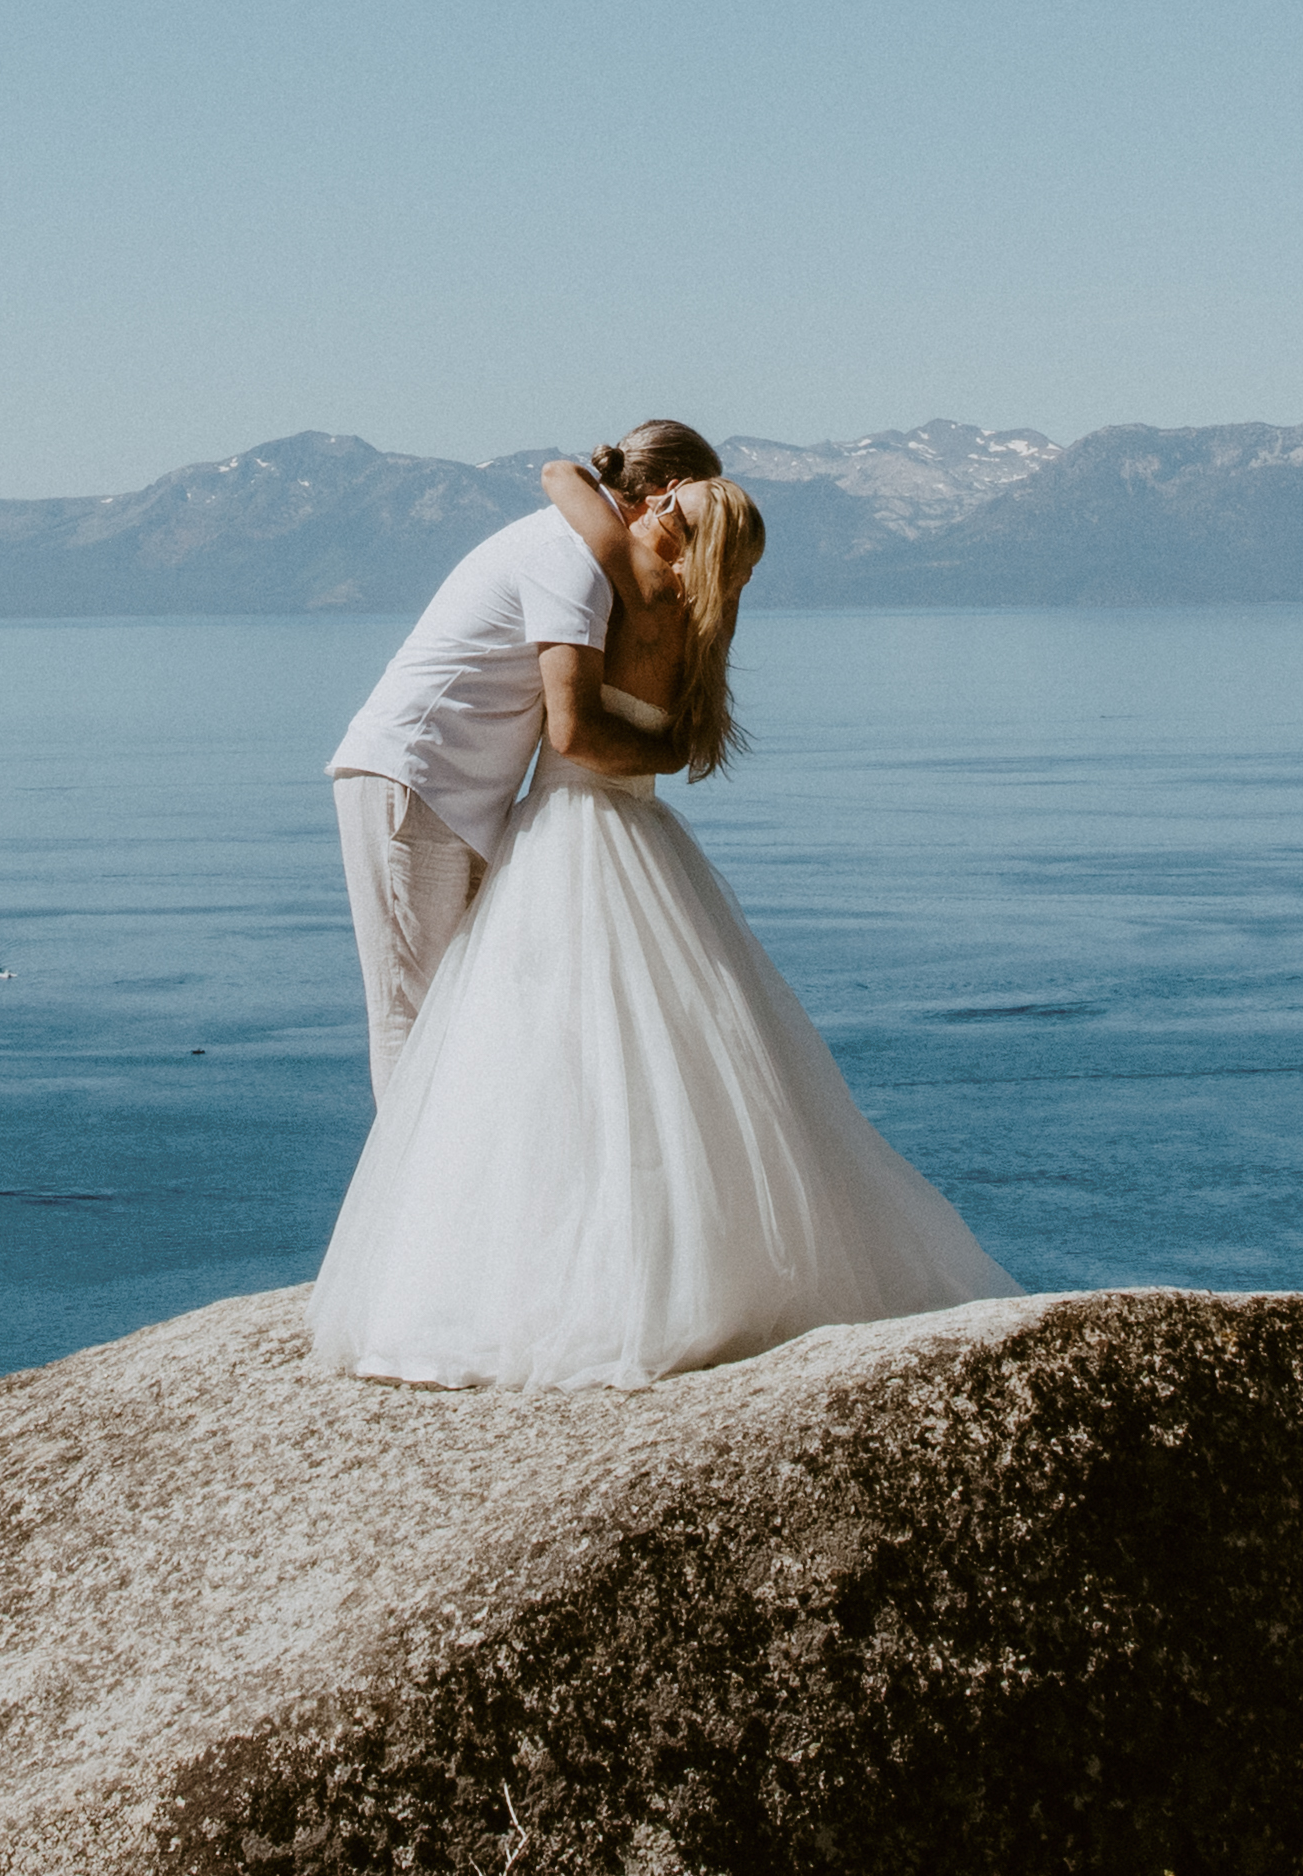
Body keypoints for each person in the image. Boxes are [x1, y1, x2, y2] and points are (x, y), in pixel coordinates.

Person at [308, 471, 1013, 1388]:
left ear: (677, 536)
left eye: (674, 507)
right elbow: (673, 737)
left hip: (556, 826)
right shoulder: (695, 622)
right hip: (634, 830)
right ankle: (637, 1252)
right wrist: (672, 753)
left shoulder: (619, 574)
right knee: (648, 1053)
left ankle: (428, 1253)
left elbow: (572, 710)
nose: (658, 503)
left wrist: (592, 475)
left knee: (470, 1038)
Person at [323, 422, 715, 1096]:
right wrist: (671, 750)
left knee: (461, 1009)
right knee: (411, 1012)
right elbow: (575, 731)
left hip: (459, 790)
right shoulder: (570, 560)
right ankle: (410, 1201)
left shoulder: (585, 549)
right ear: (666, 494)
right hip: (414, 778)